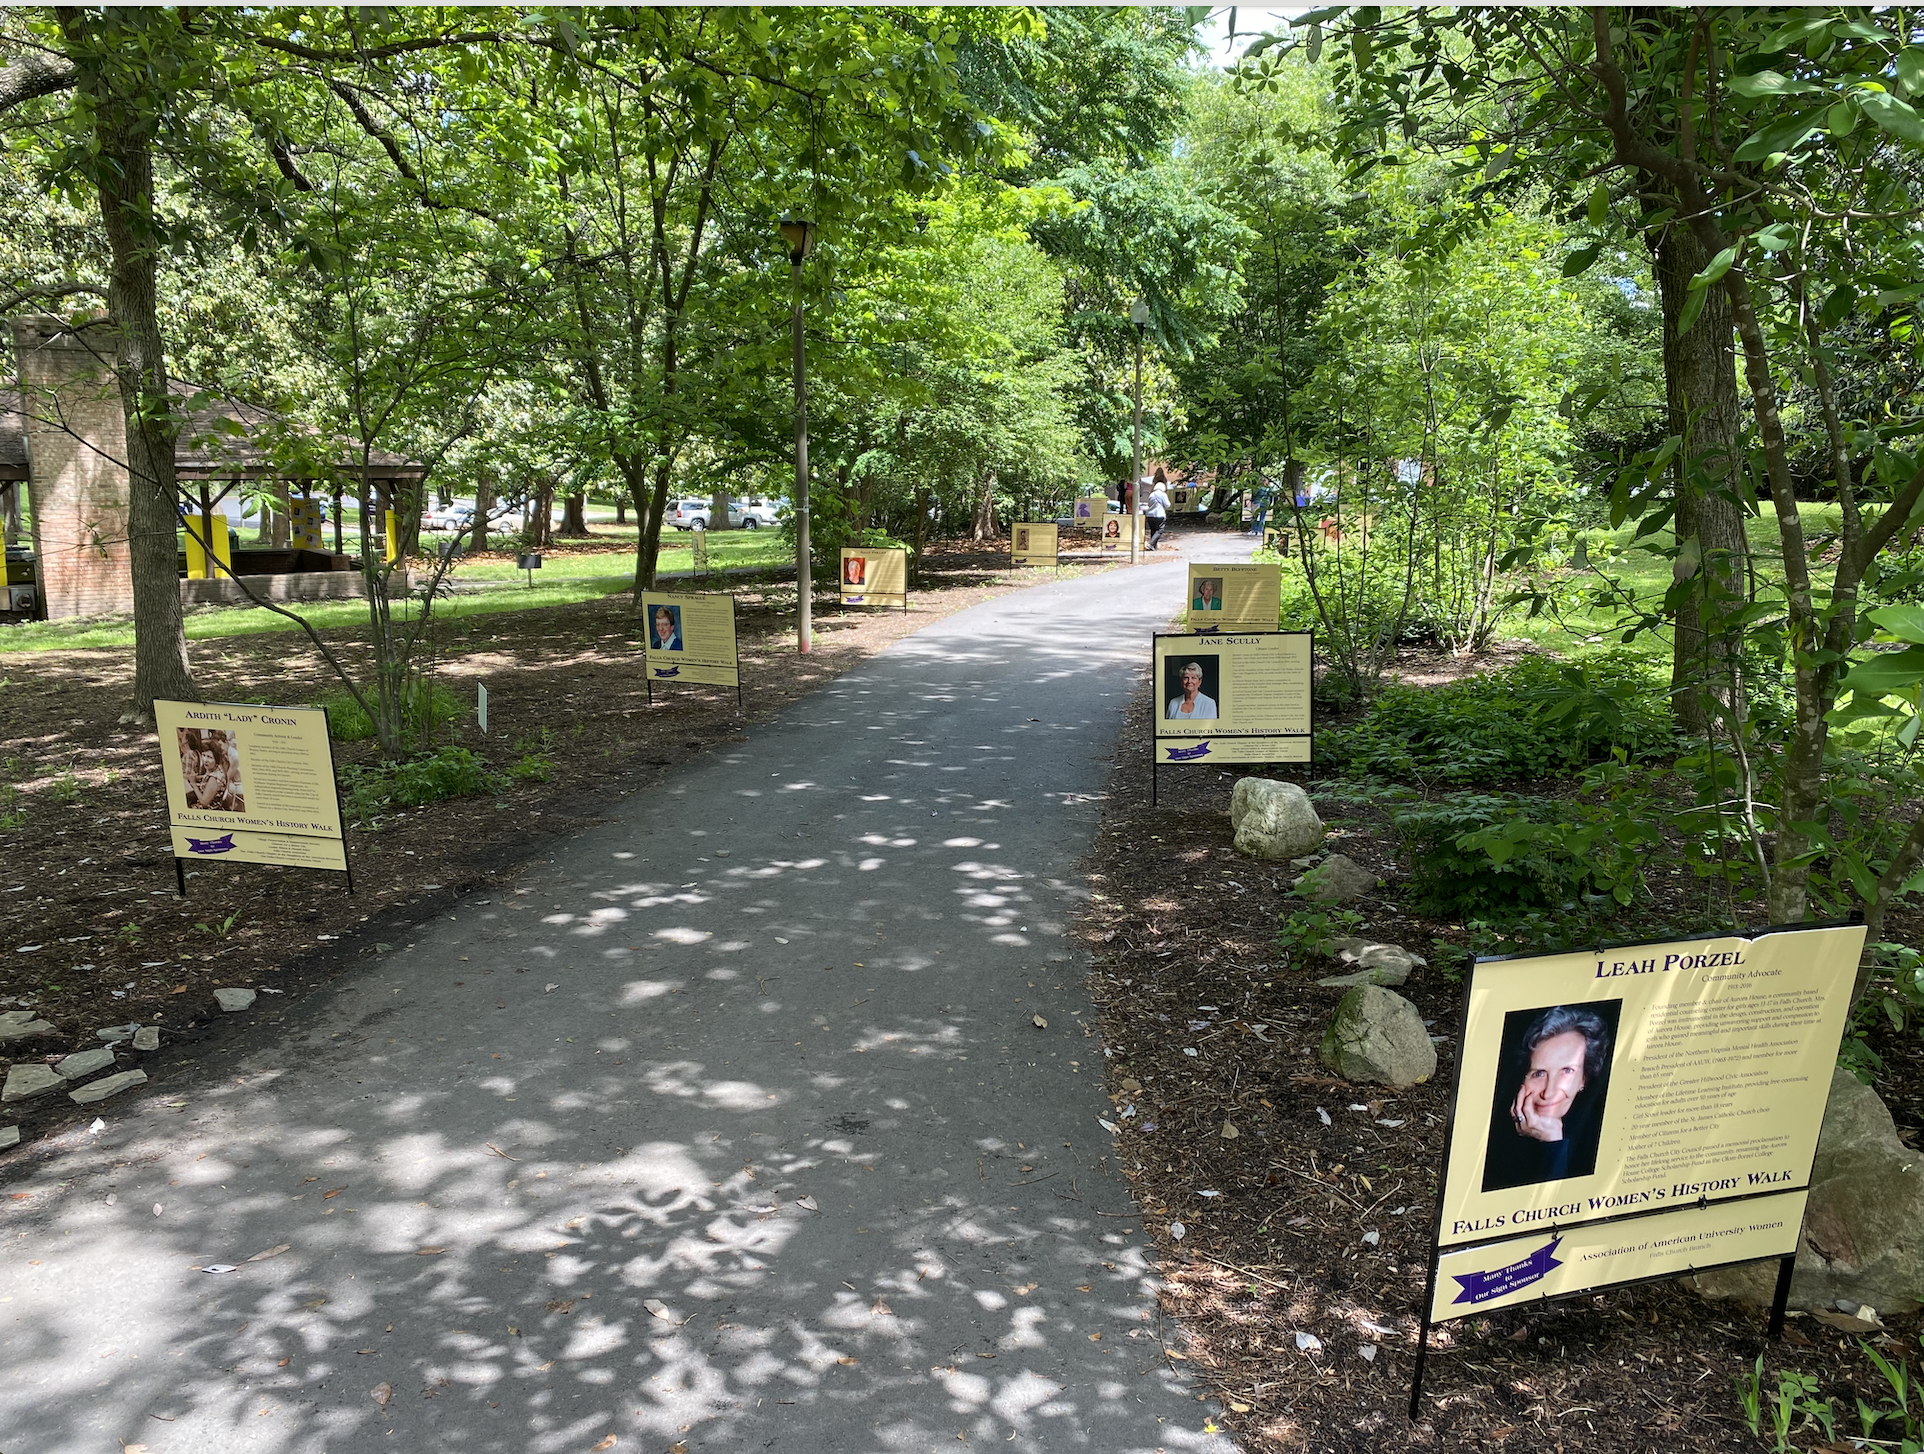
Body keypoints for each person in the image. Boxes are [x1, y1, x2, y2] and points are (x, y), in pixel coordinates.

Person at [1481, 1004, 1614, 1192]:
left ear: (1584, 1078)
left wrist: (1552, 1142)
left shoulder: (1601, 1134)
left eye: (1567, 1071)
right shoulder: (1492, 1139)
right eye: (1539, 1074)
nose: (1549, 1093)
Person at [1144, 478, 1170, 551]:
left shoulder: (1151, 494)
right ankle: (1151, 544)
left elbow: (1149, 504)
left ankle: (1153, 547)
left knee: (1153, 530)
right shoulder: (1163, 494)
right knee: (1160, 530)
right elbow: (1167, 505)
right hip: (1159, 515)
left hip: (1150, 515)